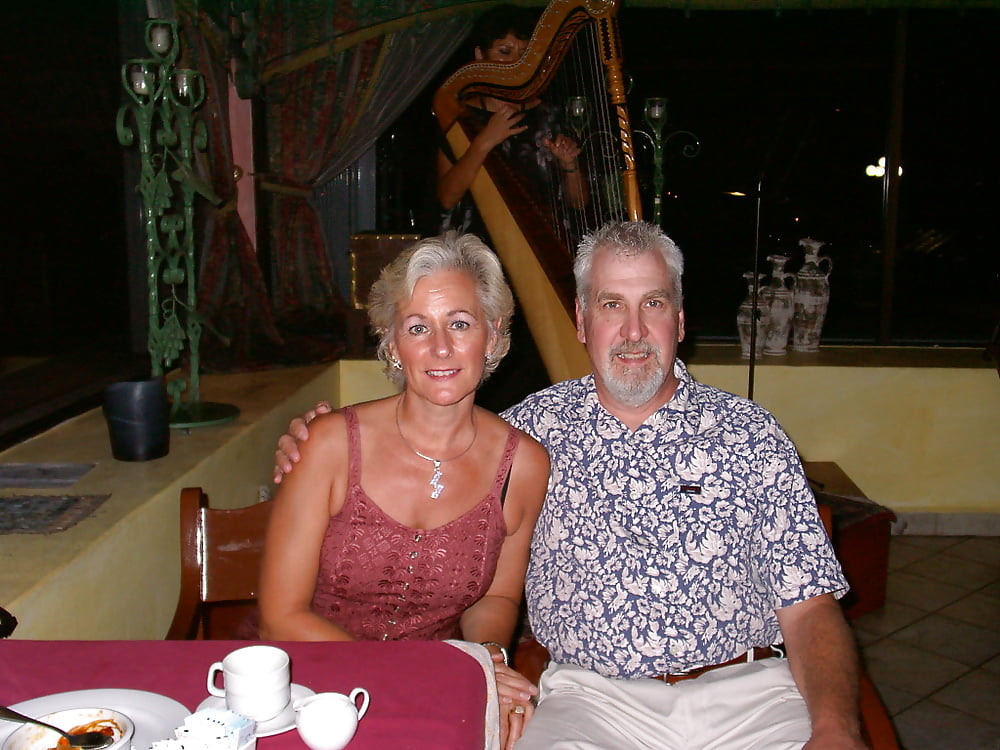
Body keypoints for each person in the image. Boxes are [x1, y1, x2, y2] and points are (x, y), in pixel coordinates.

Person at [275, 221, 866, 749]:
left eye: (653, 303)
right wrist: (308, 441)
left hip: (750, 695)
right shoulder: (530, 436)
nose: (633, 330)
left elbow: (811, 609)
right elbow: (431, 462)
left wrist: (838, 728)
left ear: (680, 320)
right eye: (611, 305)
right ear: (582, 321)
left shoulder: (751, 437)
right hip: (592, 704)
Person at [260, 232, 547, 747]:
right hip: (307, 689)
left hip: (430, 690)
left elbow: (499, 595)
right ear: (392, 343)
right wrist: (412, 673)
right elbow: (281, 617)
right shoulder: (330, 445)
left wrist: (486, 661)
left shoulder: (522, 465)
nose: (441, 347)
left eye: (460, 323)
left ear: (493, 334)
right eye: (418, 327)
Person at [437, 4, 587, 234]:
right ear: (480, 56)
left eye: (524, 55)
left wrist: (569, 165)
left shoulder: (549, 116)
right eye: (505, 52)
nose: (516, 63)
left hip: (542, 242)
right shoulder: (460, 116)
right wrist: (484, 141)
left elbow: (579, 204)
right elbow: (447, 199)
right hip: (472, 245)